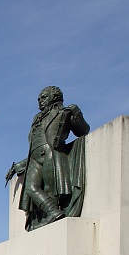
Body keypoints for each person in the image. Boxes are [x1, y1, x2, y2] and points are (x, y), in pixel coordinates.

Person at [5, 85, 89, 231]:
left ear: (55, 96)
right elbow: (34, 145)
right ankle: (53, 212)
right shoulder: (36, 119)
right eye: (39, 99)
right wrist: (18, 165)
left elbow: (83, 131)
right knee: (31, 188)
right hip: (35, 158)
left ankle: (54, 213)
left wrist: (76, 113)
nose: (40, 101)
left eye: (44, 97)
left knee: (51, 189)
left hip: (51, 153)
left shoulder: (64, 112)